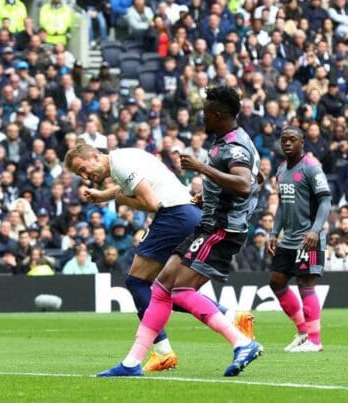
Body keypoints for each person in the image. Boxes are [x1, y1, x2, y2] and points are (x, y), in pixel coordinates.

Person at [97, 86, 264, 377]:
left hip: (222, 228)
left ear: (217, 114)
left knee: (181, 290)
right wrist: (208, 195)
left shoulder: (233, 146)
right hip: (210, 221)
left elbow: (244, 184)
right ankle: (131, 363)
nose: (201, 117)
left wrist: (202, 168)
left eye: (205, 113)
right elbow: (256, 177)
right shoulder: (231, 140)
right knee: (162, 289)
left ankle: (241, 341)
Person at [65, 141, 253, 372]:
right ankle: (231, 318)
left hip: (173, 216)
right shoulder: (122, 158)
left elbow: (150, 202)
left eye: (83, 168)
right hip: (185, 213)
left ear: (94, 156)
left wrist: (120, 199)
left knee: (138, 282)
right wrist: (104, 195)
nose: (84, 176)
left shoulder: (122, 164)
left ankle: (162, 352)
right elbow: (133, 187)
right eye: (79, 174)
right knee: (169, 291)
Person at [268, 127, 331, 352]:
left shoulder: (312, 169)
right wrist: (274, 232)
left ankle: (315, 340)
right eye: (284, 140)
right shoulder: (281, 169)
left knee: (305, 284)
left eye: (292, 140)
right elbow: (283, 207)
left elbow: (325, 201)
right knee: (276, 281)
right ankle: (303, 332)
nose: (287, 143)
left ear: (302, 142)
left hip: (309, 239)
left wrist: (315, 230)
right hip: (288, 240)